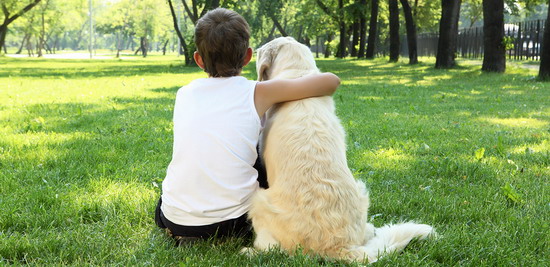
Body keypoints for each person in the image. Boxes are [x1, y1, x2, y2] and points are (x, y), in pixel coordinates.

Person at [154, 8, 340, 245]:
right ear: (248, 57)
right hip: (233, 222)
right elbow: (331, 82)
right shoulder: (257, 92)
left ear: (198, 59)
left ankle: (188, 227)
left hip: (173, 218)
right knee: (263, 160)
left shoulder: (184, 94)